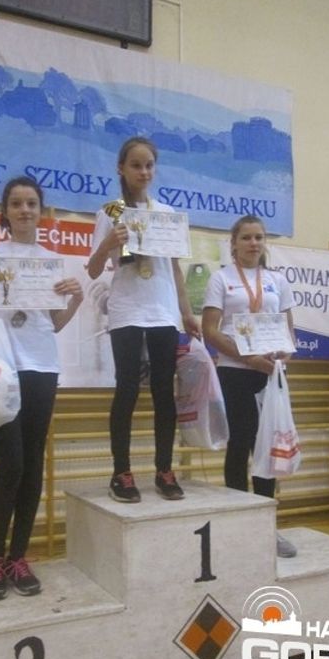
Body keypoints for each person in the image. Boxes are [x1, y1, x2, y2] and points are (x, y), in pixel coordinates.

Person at [0, 176, 83, 600]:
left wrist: (76, 297)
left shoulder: (51, 261)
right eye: (16, 203)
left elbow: (55, 324)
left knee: (32, 465)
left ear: (40, 211)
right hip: (1, 369)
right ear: (5, 211)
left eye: (31, 203)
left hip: (41, 369)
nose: (24, 210)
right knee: (10, 465)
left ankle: (18, 558)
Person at [87, 136, 200, 503]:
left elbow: (176, 269)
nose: (144, 171)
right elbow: (92, 270)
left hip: (163, 310)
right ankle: (121, 472)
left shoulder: (165, 213)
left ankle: (164, 470)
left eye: (149, 165)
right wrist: (108, 244)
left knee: (164, 391)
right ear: (121, 168)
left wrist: (186, 313)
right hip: (126, 310)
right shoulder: (109, 212)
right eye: (136, 165)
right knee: (127, 390)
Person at [201, 214, 297, 558]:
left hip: (270, 372)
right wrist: (249, 358)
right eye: (246, 237)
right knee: (240, 443)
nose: (253, 243)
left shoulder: (277, 281)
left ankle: (265, 527)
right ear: (234, 243)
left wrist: (283, 351)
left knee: (266, 446)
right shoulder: (221, 278)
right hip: (234, 372)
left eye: (259, 237)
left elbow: (288, 330)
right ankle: (237, 525)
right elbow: (210, 330)